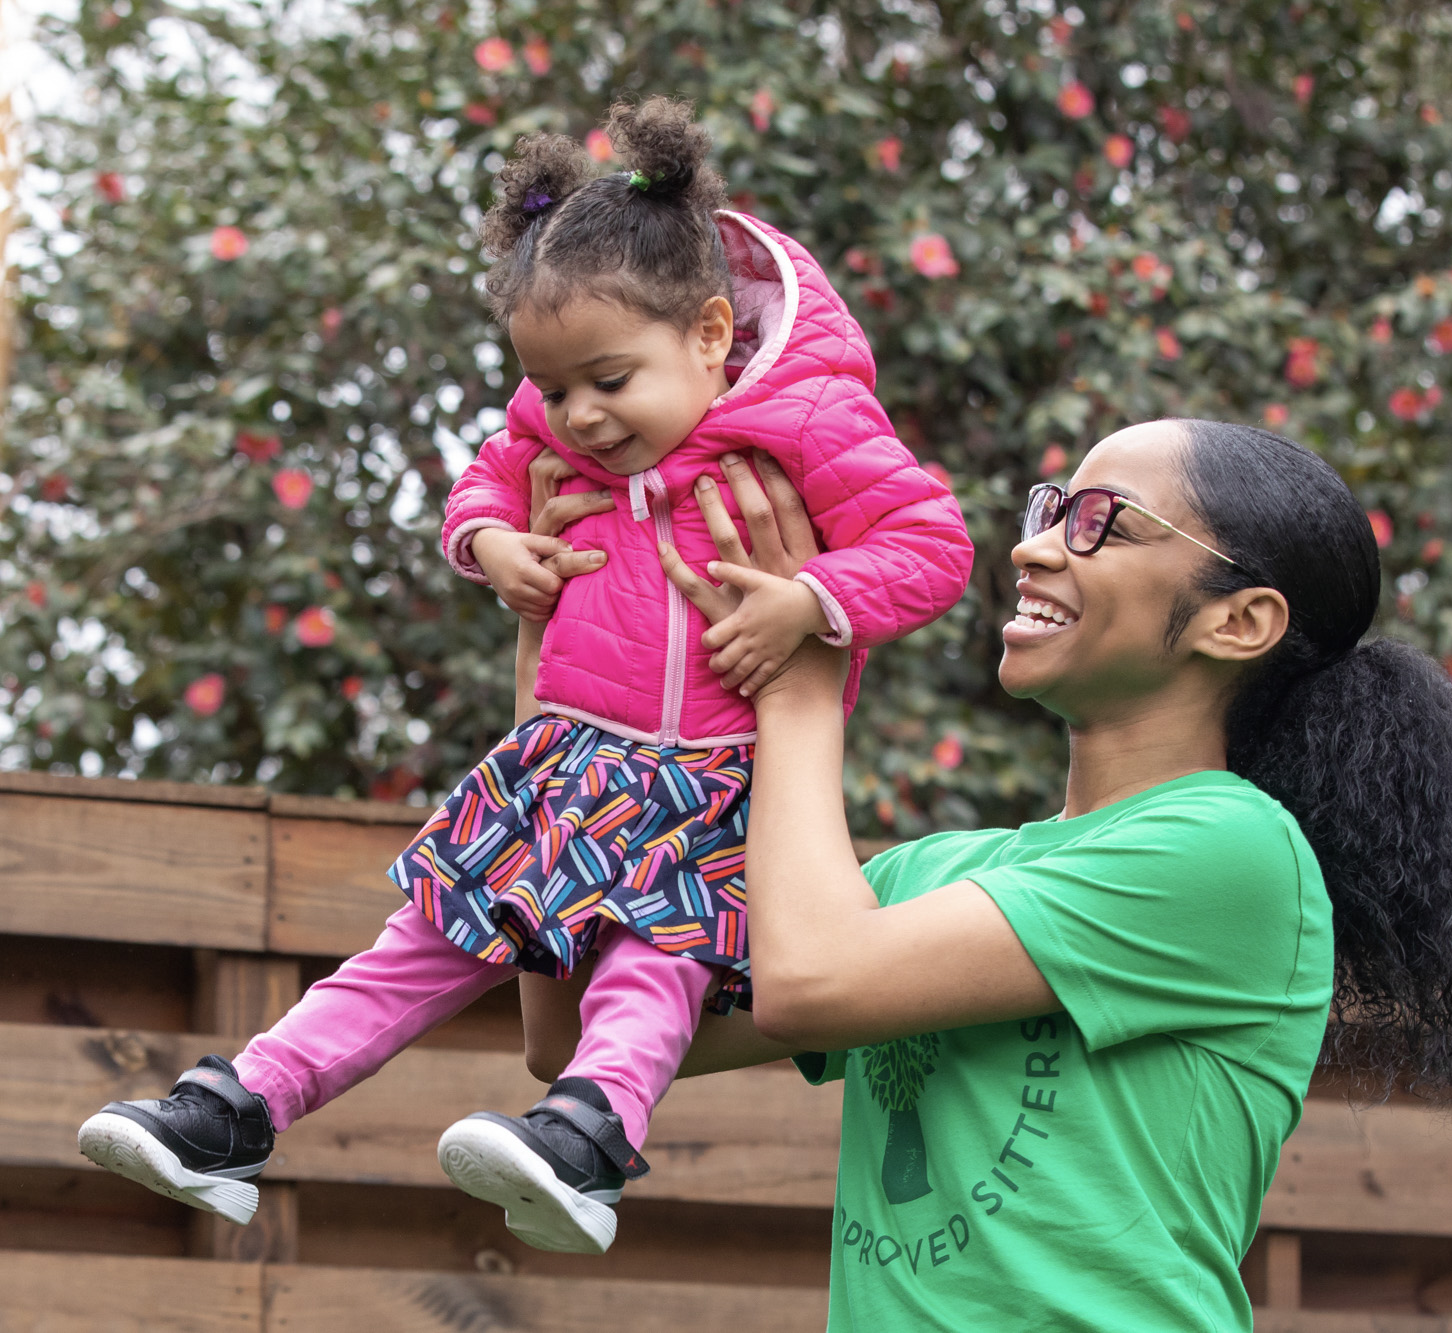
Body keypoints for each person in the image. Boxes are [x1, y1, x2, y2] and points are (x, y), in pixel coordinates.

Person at [75, 97, 974, 1256]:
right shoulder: (552, 421)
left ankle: (589, 1133)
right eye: (552, 388)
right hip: (567, 759)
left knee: (659, 956)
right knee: (419, 939)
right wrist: (488, 543)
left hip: (720, 779)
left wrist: (810, 601)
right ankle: (235, 1108)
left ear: (709, 333)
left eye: (607, 379)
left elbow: (932, 544)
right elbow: (487, 481)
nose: (578, 417)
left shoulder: (807, 415)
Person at [531, 417, 1452, 1329]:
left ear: (1236, 622)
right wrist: (562, 677)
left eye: (1105, 521)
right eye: (1051, 508)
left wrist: (801, 684)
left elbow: (807, 983)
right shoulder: (924, 877)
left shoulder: (1231, 848)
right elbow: (569, 1027)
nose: (1033, 544)